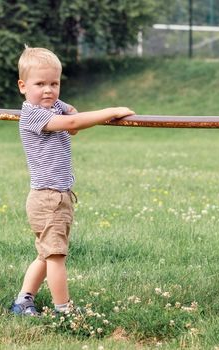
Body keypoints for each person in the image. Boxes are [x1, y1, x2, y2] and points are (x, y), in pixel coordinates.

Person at [11, 46, 134, 316]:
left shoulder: (53, 105)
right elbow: (73, 122)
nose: (48, 90)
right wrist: (111, 110)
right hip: (47, 198)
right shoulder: (33, 114)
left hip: (59, 195)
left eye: (54, 83)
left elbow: (71, 118)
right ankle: (63, 310)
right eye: (40, 84)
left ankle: (23, 301)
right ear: (23, 86)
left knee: (46, 254)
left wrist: (66, 109)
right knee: (56, 257)